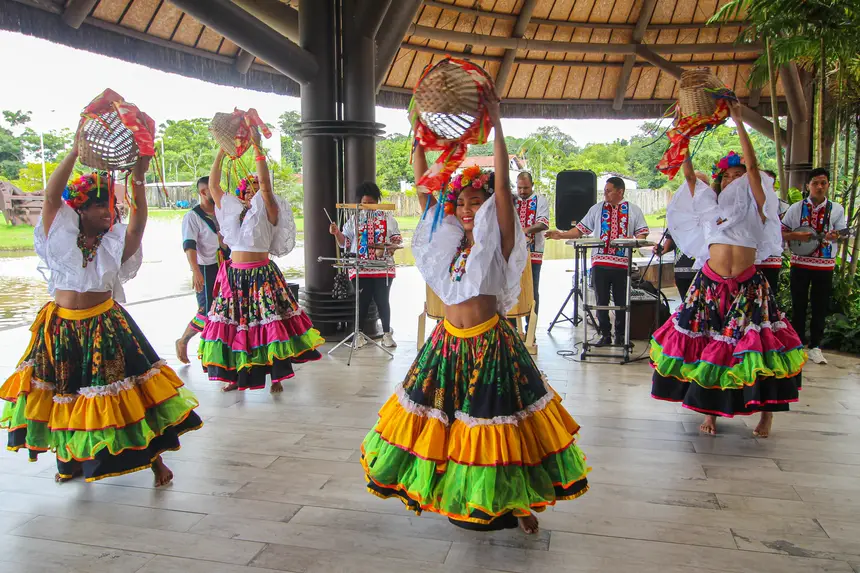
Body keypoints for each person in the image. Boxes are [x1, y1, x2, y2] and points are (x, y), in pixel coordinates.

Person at [360, 92, 588, 535]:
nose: (467, 208)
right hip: (447, 342)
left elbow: (503, 186)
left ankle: (518, 503)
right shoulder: (444, 240)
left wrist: (498, 124)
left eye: (475, 202)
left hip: (489, 342)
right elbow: (426, 186)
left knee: (498, 427)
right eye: (460, 202)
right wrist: (416, 136)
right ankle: (462, 494)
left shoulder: (498, 240)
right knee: (446, 428)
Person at [0, 137, 202, 485]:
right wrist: (76, 151)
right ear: (79, 208)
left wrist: (137, 176)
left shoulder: (115, 243)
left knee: (128, 397)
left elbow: (139, 219)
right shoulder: (59, 235)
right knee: (66, 395)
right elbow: (51, 197)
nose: (108, 213)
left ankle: (155, 461)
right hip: (60, 327)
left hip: (104, 327)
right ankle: (70, 460)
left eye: (111, 206)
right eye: (98, 206)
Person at [650, 102, 805, 438]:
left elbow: (752, 167)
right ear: (720, 182)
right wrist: (683, 135)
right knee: (709, 347)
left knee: (758, 351)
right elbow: (689, 176)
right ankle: (711, 414)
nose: (735, 181)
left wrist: (739, 124)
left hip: (748, 286)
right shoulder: (709, 208)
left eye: (740, 177)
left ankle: (766, 415)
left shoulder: (758, 207)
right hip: (709, 284)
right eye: (728, 177)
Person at [199, 142, 324, 392]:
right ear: (242, 192)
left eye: (256, 188)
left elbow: (266, 186)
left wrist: (257, 150)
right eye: (249, 189)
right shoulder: (232, 210)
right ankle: (236, 376)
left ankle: (275, 376)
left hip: (261, 274)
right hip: (234, 276)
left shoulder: (269, 209)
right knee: (235, 325)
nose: (253, 192)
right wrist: (222, 151)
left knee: (268, 322)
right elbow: (213, 186)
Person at [546, 177, 649, 346]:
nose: (605, 194)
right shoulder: (596, 209)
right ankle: (605, 335)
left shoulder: (634, 210)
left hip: (622, 263)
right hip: (599, 263)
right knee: (601, 301)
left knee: (621, 301)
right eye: (605, 190)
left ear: (620, 191)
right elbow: (580, 230)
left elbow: (642, 233)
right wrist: (561, 234)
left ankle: (621, 336)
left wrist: (635, 239)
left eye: (609, 190)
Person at [781, 168, 847, 365]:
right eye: (815, 183)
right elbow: (782, 231)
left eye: (823, 183)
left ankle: (816, 347)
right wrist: (796, 236)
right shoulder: (795, 208)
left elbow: (842, 233)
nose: (819, 187)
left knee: (820, 306)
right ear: (807, 185)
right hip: (799, 263)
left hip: (825, 265)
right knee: (798, 303)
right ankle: (798, 345)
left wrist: (837, 236)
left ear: (828, 185)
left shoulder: (836, 209)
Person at [329, 181, 401, 348]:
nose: (367, 205)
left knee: (383, 300)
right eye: (364, 202)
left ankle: (387, 334)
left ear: (377, 201)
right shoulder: (353, 219)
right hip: (360, 267)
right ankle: (359, 334)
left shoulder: (388, 219)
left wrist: (389, 248)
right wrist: (336, 233)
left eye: (371, 202)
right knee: (362, 300)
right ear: (360, 203)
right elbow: (344, 242)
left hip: (383, 267)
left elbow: (396, 239)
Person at [175, 176, 228, 364]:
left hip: (225, 265)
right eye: (210, 189)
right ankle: (184, 340)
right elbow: (190, 245)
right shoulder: (193, 216)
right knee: (207, 310)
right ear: (203, 193)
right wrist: (195, 271)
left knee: (224, 309)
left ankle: (222, 349)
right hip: (206, 267)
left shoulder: (222, 211)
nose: (215, 191)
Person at [656, 171, 711, 302]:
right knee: (687, 309)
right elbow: (669, 244)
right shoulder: (679, 212)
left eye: (701, 184)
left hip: (706, 270)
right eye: (692, 184)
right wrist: (660, 250)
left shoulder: (713, 210)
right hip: (682, 272)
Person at [515, 171, 550, 326]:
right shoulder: (512, 200)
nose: (522, 191)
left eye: (526, 188)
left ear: (532, 186)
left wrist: (524, 231)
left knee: (532, 291)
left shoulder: (540, 200)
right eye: (520, 187)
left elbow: (543, 224)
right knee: (511, 290)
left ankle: (531, 329)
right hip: (512, 255)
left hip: (533, 254)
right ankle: (512, 329)